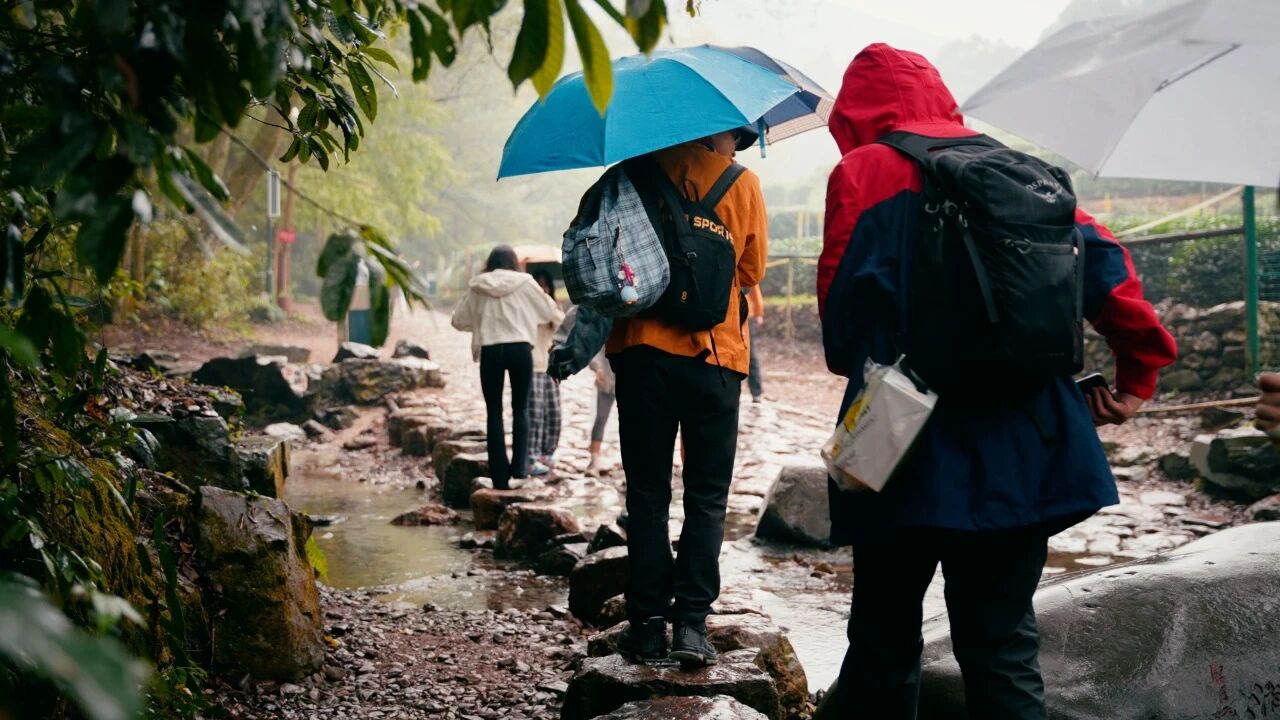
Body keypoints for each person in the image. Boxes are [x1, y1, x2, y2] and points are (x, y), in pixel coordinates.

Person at [814, 44, 1177, 719]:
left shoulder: (863, 171)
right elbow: (1111, 277)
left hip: (903, 448)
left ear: (855, 111)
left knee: (883, 644)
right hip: (1028, 442)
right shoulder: (1025, 172)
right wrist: (1136, 378)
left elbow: (841, 336)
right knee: (1003, 649)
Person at [610, 127, 768, 667]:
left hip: (642, 351)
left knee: (648, 495)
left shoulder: (631, 172)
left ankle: (647, 627)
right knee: (707, 496)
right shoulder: (743, 184)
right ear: (720, 134)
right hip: (716, 357)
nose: (738, 149)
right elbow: (751, 273)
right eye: (738, 139)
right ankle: (692, 629)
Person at [451, 246, 563, 490]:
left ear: (490, 263)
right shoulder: (526, 283)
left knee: (494, 413)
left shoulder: (477, 286)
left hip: (491, 350)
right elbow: (551, 312)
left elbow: (458, 320)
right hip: (521, 350)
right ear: (514, 262)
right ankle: (520, 470)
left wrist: (483, 320)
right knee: (520, 409)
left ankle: (499, 478)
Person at [528, 269, 563, 475]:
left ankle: (547, 451)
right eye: (538, 285)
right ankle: (532, 454)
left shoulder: (552, 310)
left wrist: (547, 304)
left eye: (545, 285)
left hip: (550, 366)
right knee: (535, 413)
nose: (543, 289)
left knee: (554, 412)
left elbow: (562, 323)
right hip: (533, 365)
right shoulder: (527, 309)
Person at [585, 346, 616, 476]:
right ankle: (594, 461)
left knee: (633, 423)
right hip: (606, 379)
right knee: (600, 419)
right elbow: (595, 347)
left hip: (631, 379)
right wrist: (597, 368)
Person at [745, 285, 765, 402]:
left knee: (750, 354)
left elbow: (753, 284)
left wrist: (758, 312)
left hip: (745, 314)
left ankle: (756, 392)